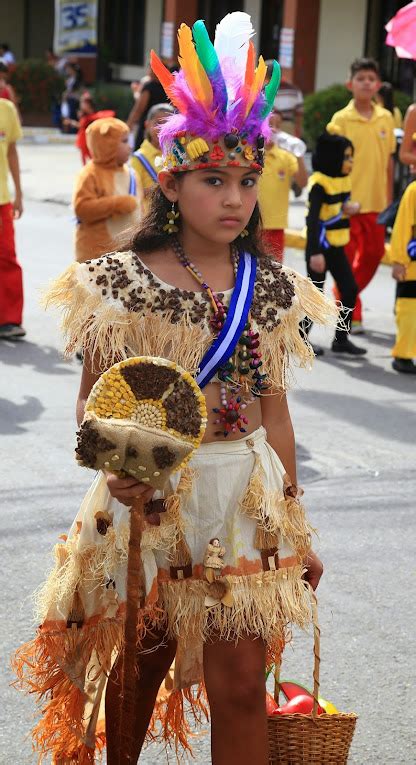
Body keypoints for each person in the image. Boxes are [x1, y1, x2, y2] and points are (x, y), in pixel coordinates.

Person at [13, 14, 336, 764]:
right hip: (151, 496)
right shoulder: (118, 283)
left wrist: (296, 523)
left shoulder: (273, 290)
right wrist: (118, 468)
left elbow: (276, 412)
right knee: (132, 677)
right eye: (214, 180)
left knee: (238, 684)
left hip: (243, 494)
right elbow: (97, 402)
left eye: (247, 181)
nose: (235, 199)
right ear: (171, 182)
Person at [330, 57, 396, 334]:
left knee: (374, 254)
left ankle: (344, 295)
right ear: (350, 84)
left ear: (378, 84)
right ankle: (351, 313)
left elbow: (390, 160)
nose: (367, 83)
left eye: (371, 79)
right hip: (348, 205)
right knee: (346, 259)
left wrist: (391, 198)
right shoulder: (340, 120)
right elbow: (331, 164)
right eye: (361, 78)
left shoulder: (387, 117)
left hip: (377, 204)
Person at [304, 129, 366, 356]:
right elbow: (313, 220)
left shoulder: (342, 180)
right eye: (347, 157)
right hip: (320, 246)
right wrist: (314, 253)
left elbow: (340, 207)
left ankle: (341, 338)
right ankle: (301, 337)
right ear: (334, 158)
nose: (350, 162)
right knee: (315, 295)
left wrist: (351, 207)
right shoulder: (319, 183)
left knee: (349, 289)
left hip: (337, 246)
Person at [73, 116, 142, 262]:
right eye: (124, 141)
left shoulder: (131, 173)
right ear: (105, 144)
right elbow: (82, 208)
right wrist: (117, 204)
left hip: (127, 253)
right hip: (96, 254)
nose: (130, 146)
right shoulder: (90, 173)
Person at [258, 112, 307, 261]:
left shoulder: (285, 157)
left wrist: (299, 155)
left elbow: (302, 182)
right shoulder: (250, 153)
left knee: (275, 272)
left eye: (278, 126)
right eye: (270, 124)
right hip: (251, 226)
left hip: (276, 225)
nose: (274, 130)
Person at [0, 98, 24, 340]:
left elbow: (11, 152)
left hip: (2, 199)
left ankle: (8, 320)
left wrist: (18, 193)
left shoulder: (6, 109)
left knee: (7, 257)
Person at [388, 181, 416, 374]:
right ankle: (403, 355)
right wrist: (398, 259)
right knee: (408, 309)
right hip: (413, 265)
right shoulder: (414, 191)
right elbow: (403, 225)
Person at [130, 102, 174, 213]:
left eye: (167, 123)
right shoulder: (139, 157)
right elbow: (133, 192)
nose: (162, 128)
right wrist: (161, 187)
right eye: (158, 123)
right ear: (146, 125)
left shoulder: (178, 154)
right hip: (150, 217)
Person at [63, 91, 115, 164]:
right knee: (85, 155)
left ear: (88, 104)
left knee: (91, 155)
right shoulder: (84, 115)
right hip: (84, 138)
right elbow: (81, 125)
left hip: (90, 138)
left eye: (83, 103)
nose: (81, 105)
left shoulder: (93, 115)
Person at [126, 65, 169, 148]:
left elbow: (138, 109)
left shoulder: (150, 86)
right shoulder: (169, 87)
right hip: (165, 128)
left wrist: (128, 127)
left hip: (149, 126)